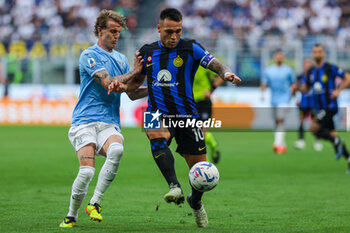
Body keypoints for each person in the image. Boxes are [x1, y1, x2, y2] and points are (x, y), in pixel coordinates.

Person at [108, 8, 241, 228]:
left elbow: (217, 64)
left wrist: (225, 73)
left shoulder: (191, 48)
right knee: (153, 128)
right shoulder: (147, 52)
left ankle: (195, 203)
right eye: (169, 31)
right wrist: (126, 85)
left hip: (187, 114)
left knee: (200, 173)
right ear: (159, 28)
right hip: (157, 112)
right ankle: (174, 186)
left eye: (178, 31)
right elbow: (133, 93)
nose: (173, 36)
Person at [59, 10, 144, 228]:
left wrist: (156, 88)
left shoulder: (121, 59)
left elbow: (131, 92)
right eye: (112, 32)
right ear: (100, 30)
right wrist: (134, 72)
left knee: (117, 150)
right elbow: (109, 83)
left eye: (118, 33)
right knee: (87, 171)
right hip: (85, 121)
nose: (116, 36)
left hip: (109, 122)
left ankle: (95, 203)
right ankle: (71, 215)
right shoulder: (89, 55)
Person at [301, 44, 350, 172]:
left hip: (329, 106)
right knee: (332, 133)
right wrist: (296, 88)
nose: (317, 54)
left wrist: (338, 90)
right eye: (315, 52)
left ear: (323, 54)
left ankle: (337, 141)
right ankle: (348, 158)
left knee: (314, 129)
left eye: (320, 52)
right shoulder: (311, 71)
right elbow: (305, 88)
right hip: (319, 108)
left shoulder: (330, 68)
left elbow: (347, 78)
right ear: (312, 54)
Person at [261, 49, 295, 154]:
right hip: (273, 100)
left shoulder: (289, 70)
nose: (279, 57)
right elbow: (264, 83)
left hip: (285, 99)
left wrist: (293, 92)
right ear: (274, 57)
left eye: (281, 55)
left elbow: (293, 83)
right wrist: (262, 93)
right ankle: (282, 144)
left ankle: (276, 143)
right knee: (276, 122)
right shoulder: (269, 70)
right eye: (277, 55)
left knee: (280, 120)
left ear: (283, 57)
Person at [193, 66, 224, 163]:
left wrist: (211, 90)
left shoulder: (203, 64)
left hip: (203, 102)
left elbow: (221, 74)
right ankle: (213, 144)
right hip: (190, 102)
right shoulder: (183, 62)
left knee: (201, 132)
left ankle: (207, 164)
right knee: (194, 133)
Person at [293, 58, 323, 151]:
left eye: (309, 64)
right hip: (303, 103)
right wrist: (296, 99)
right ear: (303, 65)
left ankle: (317, 141)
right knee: (301, 121)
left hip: (314, 103)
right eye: (306, 64)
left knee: (315, 122)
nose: (307, 66)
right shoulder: (299, 77)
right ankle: (301, 141)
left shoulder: (316, 75)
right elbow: (295, 88)